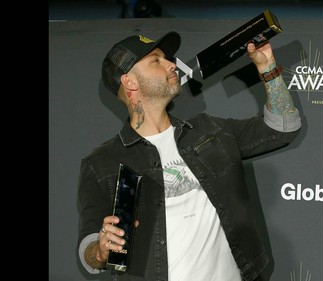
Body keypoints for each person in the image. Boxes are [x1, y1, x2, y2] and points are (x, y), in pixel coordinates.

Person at [77, 31, 302, 281]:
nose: (171, 64)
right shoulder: (101, 163)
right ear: (129, 82)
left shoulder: (211, 130)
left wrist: (267, 66)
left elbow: (283, 128)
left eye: (167, 58)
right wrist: (99, 250)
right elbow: (87, 245)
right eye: (156, 60)